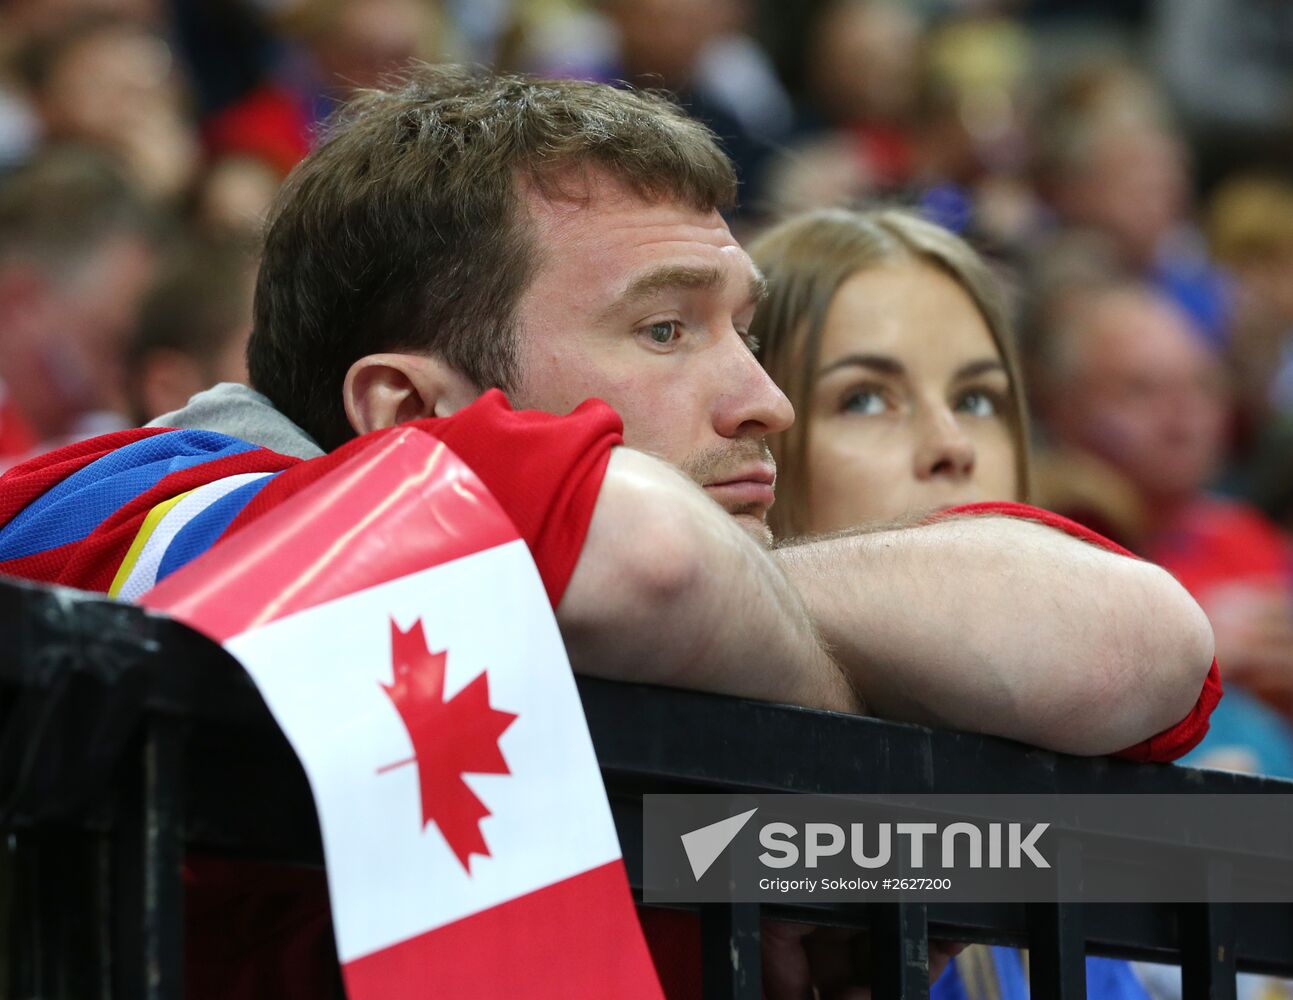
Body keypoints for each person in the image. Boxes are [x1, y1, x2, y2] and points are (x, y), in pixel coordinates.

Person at [0, 67, 1217, 996]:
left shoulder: (649, 635)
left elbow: (1144, 638)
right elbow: (649, 554)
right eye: (665, 331)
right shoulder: (119, 512)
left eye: (743, 326)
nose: (765, 399)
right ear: (406, 415)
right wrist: (824, 773)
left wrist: (786, 761)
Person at [750, 205, 1155, 999]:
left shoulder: (1063, 823)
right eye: (864, 399)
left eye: (977, 399)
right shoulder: (694, 826)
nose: (953, 445)